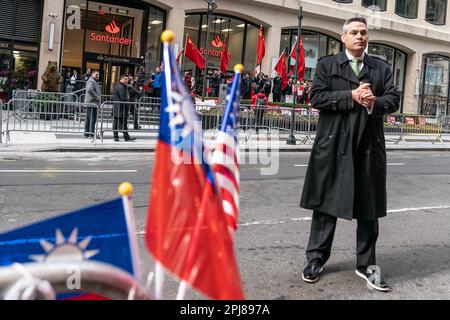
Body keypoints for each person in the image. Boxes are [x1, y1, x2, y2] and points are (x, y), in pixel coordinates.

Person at [300, 17, 400, 291]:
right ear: (343, 37)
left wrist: (373, 102)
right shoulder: (327, 65)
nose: (360, 36)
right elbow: (317, 98)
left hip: (367, 148)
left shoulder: (380, 67)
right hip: (333, 146)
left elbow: (393, 100)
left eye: (364, 32)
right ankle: (316, 259)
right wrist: (351, 96)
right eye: (354, 32)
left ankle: (367, 265)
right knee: (325, 205)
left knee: (368, 209)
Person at [113, 75, 136, 142]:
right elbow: (123, 98)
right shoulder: (120, 87)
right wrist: (128, 100)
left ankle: (122, 137)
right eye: (125, 79)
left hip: (120, 108)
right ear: (121, 79)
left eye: (127, 79)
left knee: (120, 123)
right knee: (118, 123)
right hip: (120, 108)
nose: (127, 80)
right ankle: (119, 137)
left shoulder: (122, 86)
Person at [83, 70, 101, 138]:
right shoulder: (91, 81)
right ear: (92, 74)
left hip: (92, 103)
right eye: (96, 74)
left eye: (98, 74)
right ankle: (91, 134)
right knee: (92, 119)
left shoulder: (93, 81)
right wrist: (97, 97)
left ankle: (87, 133)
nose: (97, 76)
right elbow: (89, 90)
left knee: (89, 119)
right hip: (92, 103)